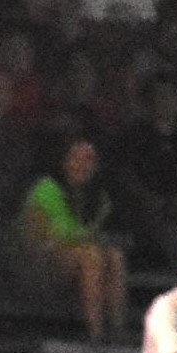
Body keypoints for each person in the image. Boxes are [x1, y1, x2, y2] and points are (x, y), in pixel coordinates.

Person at [21, 135, 131, 341]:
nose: (82, 165)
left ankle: (117, 330)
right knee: (91, 255)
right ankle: (96, 334)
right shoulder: (47, 188)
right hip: (39, 267)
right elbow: (62, 233)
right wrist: (94, 235)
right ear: (64, 161)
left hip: (75, 267)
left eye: (88, 159)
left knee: (114, 255)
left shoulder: (95, 196)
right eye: (76, 158)